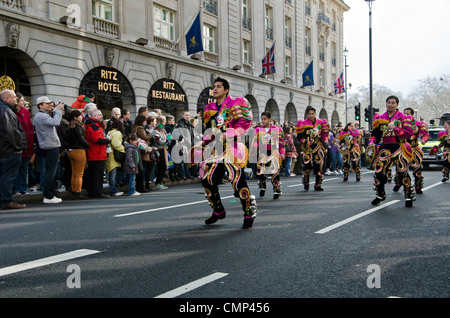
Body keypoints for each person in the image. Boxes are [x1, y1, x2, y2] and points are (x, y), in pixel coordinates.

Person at [195, 77, 257, 229]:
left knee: (238, 182)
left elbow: (244, 126)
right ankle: (218, 211)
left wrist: (227, 135)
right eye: (214, 87)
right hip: (216, 150)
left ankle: (249, 212)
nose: (215, 89)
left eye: (218, 87)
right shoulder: (210, 108)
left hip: (233, 148)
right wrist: (203, 142)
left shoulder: (236, 103)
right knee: (207, 180)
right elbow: (212, 130)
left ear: (226, 90)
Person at [369, 96, 415, 207]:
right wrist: (372, 141)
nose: (390, 104)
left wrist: (395, 128)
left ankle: (408, 196)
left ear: (397, 105)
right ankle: (380, 194)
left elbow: (409, 133)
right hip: (384, 147)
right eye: (389, 102)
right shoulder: (380, 117)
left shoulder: (403, 117)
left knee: (402, 171)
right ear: (386, 104)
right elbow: (375, 134)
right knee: (379, 171)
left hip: (398, 146)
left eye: (393, 103)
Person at [34, 96, 64, 204]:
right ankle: (48, 196)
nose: (50, 105)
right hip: (50, 146)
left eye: (50, 103)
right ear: (40, 106)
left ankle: (50, 194)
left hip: (50, 146)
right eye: (47, 104)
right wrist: (59, 110)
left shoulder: (42, 116)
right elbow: (56, 122)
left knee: (52, 172)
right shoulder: (42, 116)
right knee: (50, 172)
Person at [0, 89, 27, 209]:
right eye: (14, 97)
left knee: (5, 176)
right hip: (9, 150)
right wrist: (18, 147)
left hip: (4, 149)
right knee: (8, 176)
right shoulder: (5, 110)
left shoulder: (5, 110)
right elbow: (10, 131)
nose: (16, 99)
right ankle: (6, 201)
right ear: (6, 98)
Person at [392, 108, 429, 194]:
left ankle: (418, 186)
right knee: (400, 168)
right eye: (404, 114)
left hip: (414, 148)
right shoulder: (399, 122)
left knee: (417, 168)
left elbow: (425, 133)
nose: (406, 115)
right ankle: (398, 183)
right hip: (403, 148)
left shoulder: (418, 123)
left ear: (412, 115)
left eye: (408, 114)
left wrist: (424, 139)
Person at [295, 106, 329, 191]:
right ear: (307, 114)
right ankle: (306, 182)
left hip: (317, 146)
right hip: (307, 147)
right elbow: (299, 136)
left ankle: (318, 184)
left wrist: (325, 139)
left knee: (319, 165)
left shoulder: (320, 122)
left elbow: (325, 133)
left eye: (313, 113)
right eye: (309, 114)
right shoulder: (303, 123)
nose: (311, 115)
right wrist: (303, 140)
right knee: (307, 166)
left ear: (315, 114)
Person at [253, 111, 285, 199]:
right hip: (262, 153)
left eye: (265, 119)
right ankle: (263, 187)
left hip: (273, 152)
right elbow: (255, 142)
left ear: (269, 119)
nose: (263, 121)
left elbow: (281, 142)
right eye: (262, 119)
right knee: (260, 172)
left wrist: (282, 153)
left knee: (274, 172)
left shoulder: (277, 129)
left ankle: (276, 190)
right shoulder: (258, 130)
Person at [85, 109, 110, 198]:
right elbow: (97, 139)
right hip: (96, 154)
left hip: (97, 153)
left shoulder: (96, 126)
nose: (101, 116)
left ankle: (95, 192)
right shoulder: (94, 126)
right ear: (94, 116)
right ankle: (97, 192)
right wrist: (107, 140)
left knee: (96, 175)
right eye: (100, 115)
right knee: (97, 175)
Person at [13, 93, 34, 196]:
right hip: (16, 144)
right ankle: (16, 189)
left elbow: (30, 127)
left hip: (27, 144)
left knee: (24, 167)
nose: (23, 102)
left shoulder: (25, 112)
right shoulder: (12, 112)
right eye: (22, 100)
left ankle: (23, 188)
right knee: (16, 168)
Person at [67, 110, 89, 200]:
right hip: (79, 150)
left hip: (71, 150)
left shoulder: (69, 126)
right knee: (79, 173)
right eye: (80, 115)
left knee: (74, 173)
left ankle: (74, 190)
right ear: (75, 117)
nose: (82, 117)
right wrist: (88, 145)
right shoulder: (77, 126)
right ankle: (78, 191)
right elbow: (81, 138)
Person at [132, 114, 153, 192]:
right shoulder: (140, 128)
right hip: (142, 151)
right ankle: (140, 187)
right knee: (141, 170)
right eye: (145, 121)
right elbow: (145, 137)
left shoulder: (135, 127)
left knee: (140, 170)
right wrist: (150, 133)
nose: (145, 122)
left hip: (138, 150)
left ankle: (140, 186)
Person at [106, 118, 125, 197]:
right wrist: (124, 149)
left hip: (109, 153)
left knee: (111, 173)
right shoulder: (118, 133)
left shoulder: (110, 132)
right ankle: (113, 190)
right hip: (114, 155)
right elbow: (116, 144)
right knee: (113, 173)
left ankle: (113, 189)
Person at [153, 115, 169, 190]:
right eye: (164, 121)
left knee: (164, 167)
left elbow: (165, 138)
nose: (165, 122)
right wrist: (166, 140)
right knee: (161, 166)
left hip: (164, 149)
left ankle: (160, 182)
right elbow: (159, 141)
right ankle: (157, 182)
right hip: (159, 150)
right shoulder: (155, 131)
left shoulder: (163, 130)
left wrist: (168, 139)